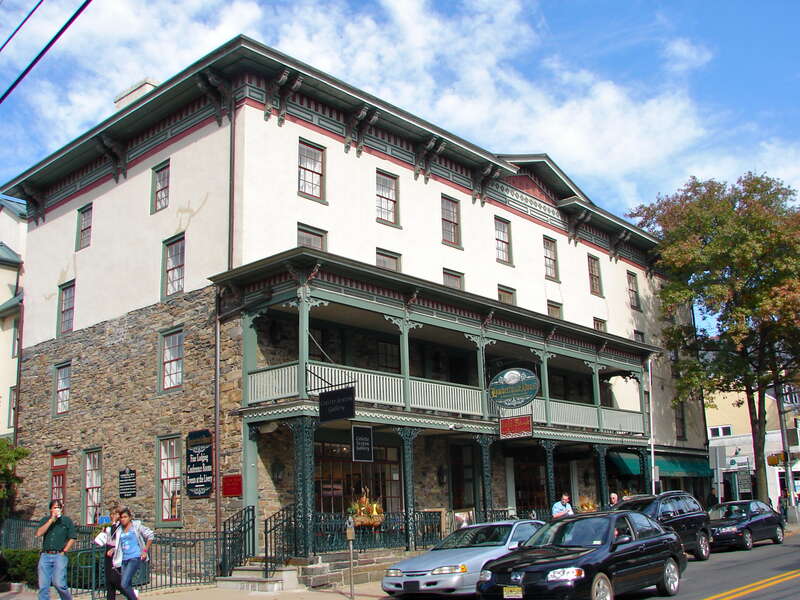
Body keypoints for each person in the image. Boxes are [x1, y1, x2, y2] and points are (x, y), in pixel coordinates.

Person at [35, 499, 77, 600]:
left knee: (59, 584)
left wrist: (64, 551)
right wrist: (51, 520)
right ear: (50, 509)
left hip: (59, 555)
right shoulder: (45, 520)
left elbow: (73, 537)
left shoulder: (66, 521)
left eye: (59, 507)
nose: (57, 510)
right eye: (55, 508)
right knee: (43, 586)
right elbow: (38, 533)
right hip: (45, 555)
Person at [112, 508, 154, 600]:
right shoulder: (119, 529)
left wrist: (145, 551)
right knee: (127, 585)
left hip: (134, 558)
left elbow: (150, 535)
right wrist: (113, 550)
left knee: (124, 584)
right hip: (124, 559)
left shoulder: (136, 526)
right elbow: (115, 541)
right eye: (121, 517)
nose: (123, 519)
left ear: (130, 517)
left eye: (125, 517)